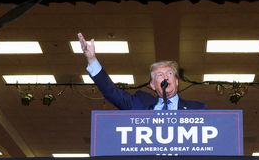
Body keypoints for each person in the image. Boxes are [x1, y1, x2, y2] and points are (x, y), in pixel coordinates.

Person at [78, 33, 206, 110]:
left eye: (170, 73)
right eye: (159, 75)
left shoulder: (197, 109)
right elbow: (111, 92)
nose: (165, 77)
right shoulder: (139, 103)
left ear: (177, 82)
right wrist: (92, 59)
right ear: (152, 85)